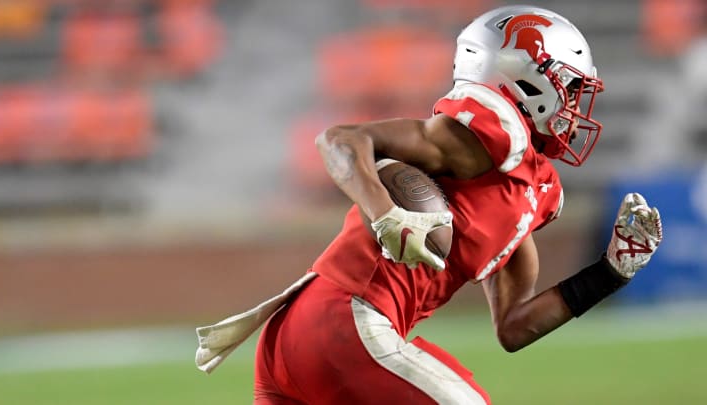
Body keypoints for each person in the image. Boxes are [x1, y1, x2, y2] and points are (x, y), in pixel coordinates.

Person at [194, 5, 664, 404]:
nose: (574, 104)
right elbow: (340, 139)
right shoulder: (485, 134)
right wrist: (385, 215)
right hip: (344, 321)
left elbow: (514, 328)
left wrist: (609, 273)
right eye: (568, 86)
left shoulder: (536, 191)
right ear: (525, 76)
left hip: (304, 338)